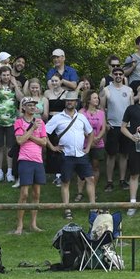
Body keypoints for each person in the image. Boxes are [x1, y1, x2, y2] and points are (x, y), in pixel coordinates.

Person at [46, 91, 96, 219]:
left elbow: (90, 133)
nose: (70, 102)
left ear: (76, 102)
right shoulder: (57, 117)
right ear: (65, 102)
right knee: (65, 181)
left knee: (90, 179)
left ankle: (93, 207)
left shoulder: (81, 117)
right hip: (66, 154)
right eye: (68, 100)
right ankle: (66, 209)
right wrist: (52, 147)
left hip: (81, 154)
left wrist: (88, 147)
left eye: (72, 100)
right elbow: (44, 132)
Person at [11, 98, 47, 234]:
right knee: (24, 193)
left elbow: (44, 142)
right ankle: (19, 225)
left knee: (37, 193)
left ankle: (33, 224)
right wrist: (32, 129)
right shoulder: (19, 122)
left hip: (38, 160)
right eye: (29, 105)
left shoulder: (40, 122)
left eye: (34, 105)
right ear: (24, 107)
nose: (32, 107)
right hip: (25, 159)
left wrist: (29, 135)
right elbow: (20, 140)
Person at [101, 65, 134, 192]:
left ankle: (122, 180)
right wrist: (106, 124)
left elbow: (132, 109)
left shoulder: (129, 90)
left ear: (123, 76)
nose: (118, 76)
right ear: (113, 75)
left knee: (124, 154)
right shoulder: (107, 90)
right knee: (111, 155)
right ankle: (109, 181)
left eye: (121, 74)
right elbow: (102, 109)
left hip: (126, 126)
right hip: (113, 126)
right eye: (116, 74)